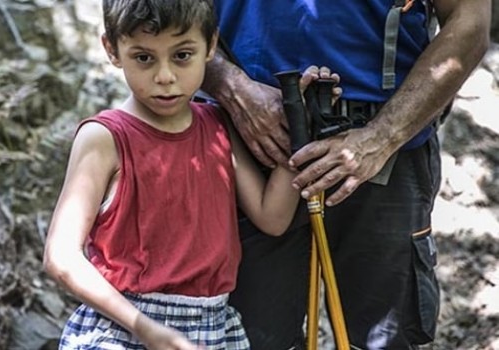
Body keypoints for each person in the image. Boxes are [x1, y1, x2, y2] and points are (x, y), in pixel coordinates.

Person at [43, 1, 339, 348]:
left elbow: (272, 217)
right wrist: (145, 329)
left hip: (212, 327)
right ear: (111, 49)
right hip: (122, 328)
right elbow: (60, 257)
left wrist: (299, 126)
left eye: (182, 55)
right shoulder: (105, 138)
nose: (165, 76)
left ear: (211, 46)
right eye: (144, 58)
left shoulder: (217, 127)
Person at [200, 1, 491, 349]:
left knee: (384, 339)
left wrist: (383, 136)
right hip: (245, 139)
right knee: (247, 340)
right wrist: (229, 86)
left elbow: (469, 20)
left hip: (386, 151)